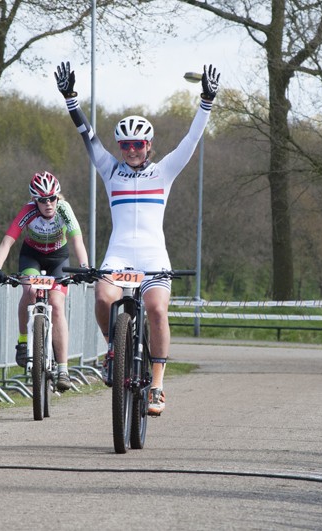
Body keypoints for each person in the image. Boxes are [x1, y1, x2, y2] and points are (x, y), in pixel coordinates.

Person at [54, 61, 220, 415]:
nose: (131, 150)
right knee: (102, 297)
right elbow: (88, 136)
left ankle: (158, 383)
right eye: (125, 144)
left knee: (158, 309)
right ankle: (114, 350)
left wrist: (206, 101)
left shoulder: (164, 171)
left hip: (153, 257)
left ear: (149, 145)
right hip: (119, 255)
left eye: (138, 144)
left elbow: (191, 140)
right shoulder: (110, 169)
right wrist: (71, 99)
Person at [0, 172, 89, 392]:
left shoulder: (64, 209)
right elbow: (8, 241)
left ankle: (63, 369)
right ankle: (24, 342)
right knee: (31, 291)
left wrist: (84, 268)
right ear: (35, 200)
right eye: (43, 200)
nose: (49, 204)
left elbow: (77, 240)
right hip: (31, 255)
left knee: (57, 305)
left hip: (58, 258)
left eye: (52, 198)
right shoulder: (28, 211)